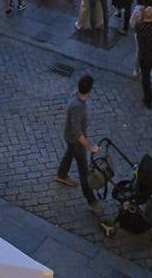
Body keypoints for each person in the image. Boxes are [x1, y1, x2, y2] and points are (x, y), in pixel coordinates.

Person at [54, 74, 104, 215]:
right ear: (90, 90)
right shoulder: (78, 107)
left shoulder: (74, 95)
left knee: (69, 154)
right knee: (84, 172)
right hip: (76, 141)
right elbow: (77, 133)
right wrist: (90, 146)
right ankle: (91, 201)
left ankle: (61, 174)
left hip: (69, 137)